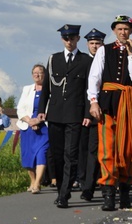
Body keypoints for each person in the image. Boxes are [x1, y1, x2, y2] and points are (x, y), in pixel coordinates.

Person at [88, 14, 132, 211]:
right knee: (107, 148)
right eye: (120, 29)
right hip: (108, 103)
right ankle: (108, 193)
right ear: (114, 30)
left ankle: (124, 191)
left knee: (128, 149)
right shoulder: (104, 50)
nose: (123, 32)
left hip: (129, 104)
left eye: (127, 29)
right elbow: (94, 77)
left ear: (131, 31)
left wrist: (131, 54)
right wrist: (94, 102)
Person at [37, 24, 92, 209]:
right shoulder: (54, 59)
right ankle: (61, 187)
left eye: (72, 38)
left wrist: (87, 113)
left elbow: (87, 90)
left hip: (75, 114)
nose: (69, 41)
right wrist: (41, 109)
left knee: (71, 155)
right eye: (66, 38)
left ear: (77, 39)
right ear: (62, 39)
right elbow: (46, 87)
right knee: (58, 155)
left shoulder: (85, 61)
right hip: (55, 113)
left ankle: (64, 194)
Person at [79, 28, 106, 202]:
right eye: (92, 43)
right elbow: (81, 92)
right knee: (89, 151)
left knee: (106, 152)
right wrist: (85, 114)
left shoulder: (107, 59)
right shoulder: (82, 62)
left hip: (105, 110)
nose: (95, 46)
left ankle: (106, 185)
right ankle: (87, 186)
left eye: (98, 43)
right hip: (88, 114)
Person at [16, 63, 49, 194]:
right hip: (27, 127)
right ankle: (32, 180)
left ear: (45, 75)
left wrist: (38, 121)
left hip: (44, 128)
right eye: (34, 72)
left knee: (41, 154)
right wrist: (30, 121)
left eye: (40, 72)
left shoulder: (49, 90)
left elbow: (50, 108)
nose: (37, 74)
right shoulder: (27, 89)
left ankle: (37, 183)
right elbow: (20, 109)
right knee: (28, 156)